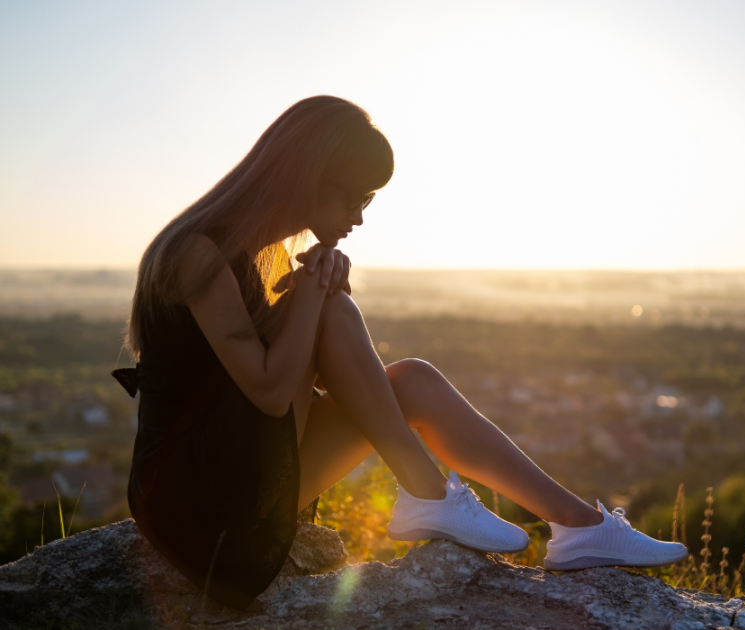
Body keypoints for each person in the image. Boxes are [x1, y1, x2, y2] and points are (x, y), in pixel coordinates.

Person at [114, 95, 686, 609]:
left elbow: (292, 389)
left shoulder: (259, 259)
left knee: (410, 380)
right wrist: (316, 293)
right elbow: (268, 392)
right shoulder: (197, 251)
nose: (359, 218)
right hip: (195, 506)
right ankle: (425, 491)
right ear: (314, 178)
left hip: (242, 475)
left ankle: (579, 526)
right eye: (356, 198)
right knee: (334, 308)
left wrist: (314, 291)